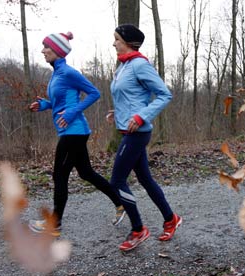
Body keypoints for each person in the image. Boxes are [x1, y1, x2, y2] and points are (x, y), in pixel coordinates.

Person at [28, 31, 126, 237]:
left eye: (46, 47)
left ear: (57, 50)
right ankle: (121, 203)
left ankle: (55, 223)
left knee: (60, 175)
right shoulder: (56, 74)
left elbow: (94, 93)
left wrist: (73, 112)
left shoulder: (69, 72)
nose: (42, 50)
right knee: (85, 173)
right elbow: (60, 102)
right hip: (70, 131)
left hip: (74, 131)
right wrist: (45, 105)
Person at [107, 24, 182, 251]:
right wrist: (118, 112)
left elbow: (164, 94)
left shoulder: (139, 65)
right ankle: (171, 219)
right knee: (145, 180)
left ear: (129, 42)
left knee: (117, 181)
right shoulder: (124, 67)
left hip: (137, 133)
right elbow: (130, 97)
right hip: (128, 130)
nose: (114, 44)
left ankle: (138, 229)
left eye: (117, 39)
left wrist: (140, 116)